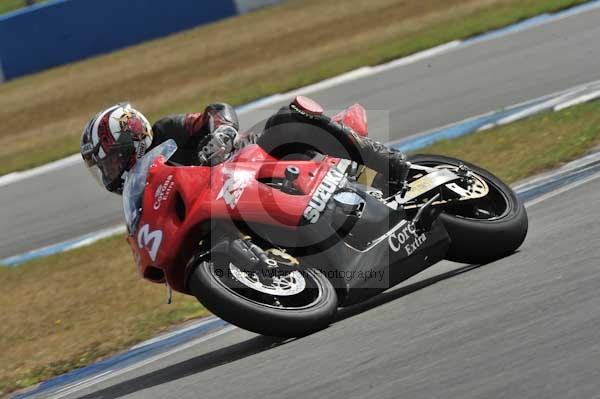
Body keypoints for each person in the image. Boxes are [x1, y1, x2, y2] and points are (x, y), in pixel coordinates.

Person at [80, 96, 408, 194]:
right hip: (233, 202)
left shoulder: (167, 130)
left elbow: (217, 111)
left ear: (131, 141)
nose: (109, 172)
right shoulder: (143, 190)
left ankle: (383, 158)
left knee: (286, 118)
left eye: (108, 162)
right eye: (103, 168)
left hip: (256, 159)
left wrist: (220, 135)